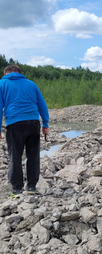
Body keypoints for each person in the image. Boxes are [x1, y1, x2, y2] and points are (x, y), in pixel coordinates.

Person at [0, 64, 49, 196]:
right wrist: (45, 124)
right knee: (33, 155)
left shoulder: (2, 83)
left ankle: (17, 188)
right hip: (33, 122)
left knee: (15, 156)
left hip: (15, 124)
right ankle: (32, 187)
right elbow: (42, 104)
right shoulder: (31, 84)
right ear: (19, 73)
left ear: (7, 73)